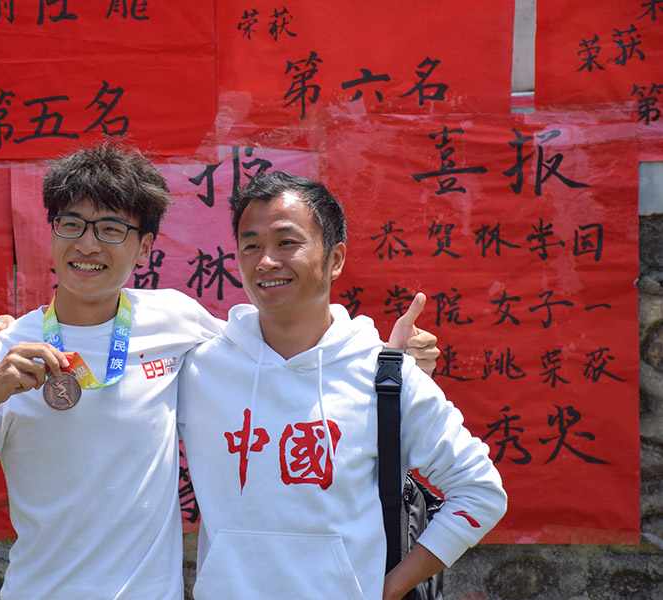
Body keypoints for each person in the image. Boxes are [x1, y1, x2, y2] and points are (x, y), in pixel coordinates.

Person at [0, 144, 438, 599]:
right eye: (71, 225)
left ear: (144, 248)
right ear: (52, 233)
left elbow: (281, 349)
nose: (88, 245)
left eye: (111, 229)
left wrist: (387, 361)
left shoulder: (175, 319)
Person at [176, 171, 507, 600]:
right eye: (251, 245)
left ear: (335, 259)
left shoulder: (383, 377)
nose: (266, 262)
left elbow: (480, 492)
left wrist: (389, 589)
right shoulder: (200, 369)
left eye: (286, 242)